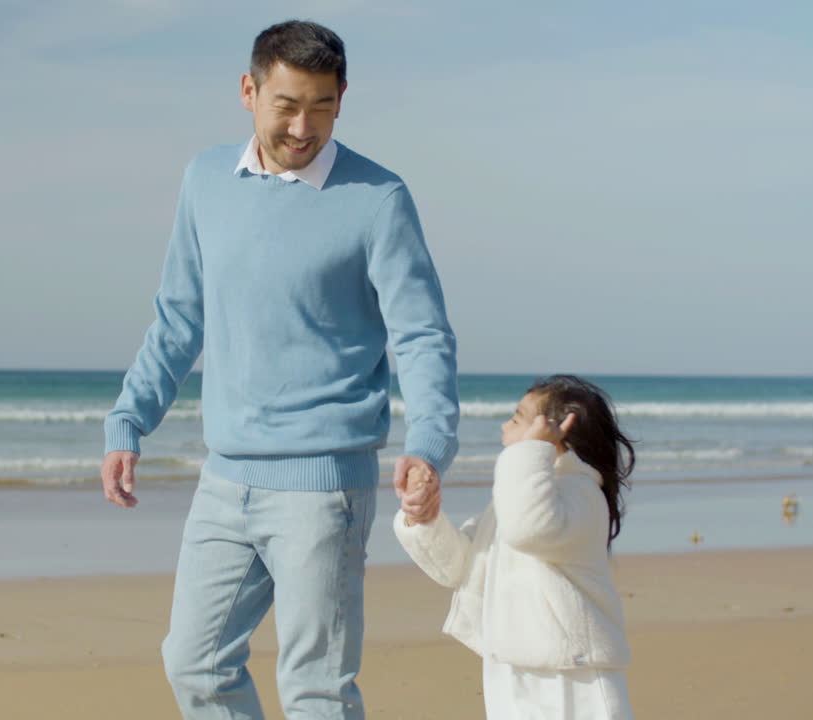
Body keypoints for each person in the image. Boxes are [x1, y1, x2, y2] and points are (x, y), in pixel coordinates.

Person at [99, 19, 459, 719]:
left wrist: (428, 444)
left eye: (322, 106)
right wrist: (128, 419)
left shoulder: (377, 199)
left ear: (342, 98)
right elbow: (179, 316)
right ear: (248, 91)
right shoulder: (205, 179)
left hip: (323, 489)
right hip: (225, 477)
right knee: (194, 665)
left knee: (316, 691)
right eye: (287, 105)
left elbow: (422, 335)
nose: (303, 127)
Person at [395, 375, 636, 719]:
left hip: (571, 675)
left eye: (519, 418)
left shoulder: (581, 494)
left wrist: (529, 450)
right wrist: (424, 519)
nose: (505, 424)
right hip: (511, 666)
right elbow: (459, 566)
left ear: (555, 435)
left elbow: (529, 529)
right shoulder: (517, 496)